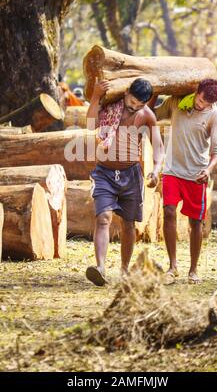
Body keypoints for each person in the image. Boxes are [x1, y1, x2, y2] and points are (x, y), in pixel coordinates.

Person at [86, 78, 164, 286]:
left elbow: (158, 146)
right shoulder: (110, 105)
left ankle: (124, 269)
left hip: (131, 175)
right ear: (127, 91)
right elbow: (90, 124)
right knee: (103, 217)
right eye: (132, 100)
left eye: (140, 104)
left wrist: (156, 169)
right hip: (104, 172)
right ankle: (100, 268)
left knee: (129, 225)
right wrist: (95, 95)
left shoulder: (147, 116)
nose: (134, 106)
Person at [151, 79, 217, 284]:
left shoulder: (214, 116)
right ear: (196, 91)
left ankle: (193, 270)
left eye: (205, 104)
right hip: (172, 170)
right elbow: (153, 115)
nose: (200, 105)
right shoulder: (177, 102)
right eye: (199, 99)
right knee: (168, 211)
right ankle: (172, 266)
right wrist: (154, 91)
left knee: (196, 222)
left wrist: (208, 170)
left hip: (196, 174)